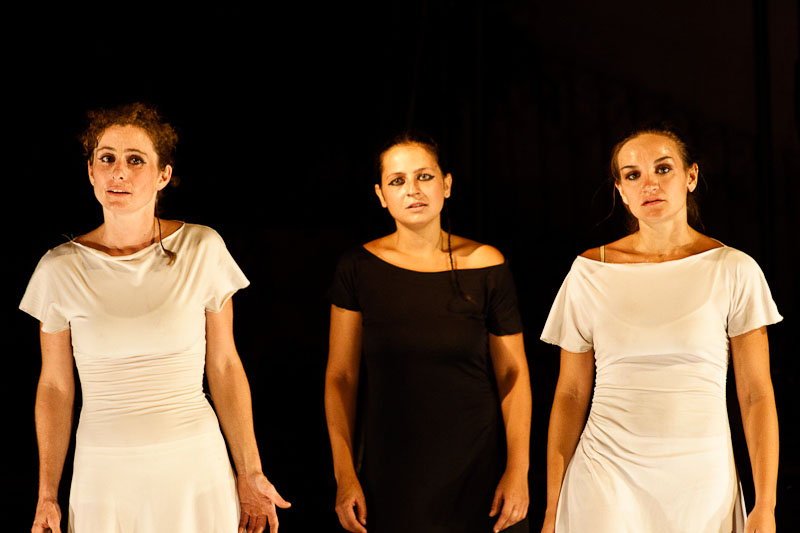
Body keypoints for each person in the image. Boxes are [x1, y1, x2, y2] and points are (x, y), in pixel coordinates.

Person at [20, 102, 290, 533]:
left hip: (195, 470)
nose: (118, 172)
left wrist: (250, 471)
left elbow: (224, 365)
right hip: (103, 477)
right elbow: (54, 385)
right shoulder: (59, 269)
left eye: (135, 160)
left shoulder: (202, 248)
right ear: (90, 172)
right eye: (106, 158)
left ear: (163, 175)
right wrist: (47, 494)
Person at [540, 128, 781, 533]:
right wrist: (552, 507)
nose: (649, 184)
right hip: (605, 473)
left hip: (700, 481)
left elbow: (756, 394)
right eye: (633, 175)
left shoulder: (734, 269)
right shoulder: (590, 272)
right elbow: (570, 394)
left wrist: (766, 504)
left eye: (663, 169)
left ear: (691, 176)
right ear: (620, 191)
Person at [324, 133, 532, 533]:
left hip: (482, 477)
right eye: (397, 180)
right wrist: (345, 474)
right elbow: (341, 378)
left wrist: (518, 471)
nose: (413, 190)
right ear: (381, 195)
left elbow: (513, 374)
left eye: (424, 176)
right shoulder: (358, 268)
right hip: (394, 478)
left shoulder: (486, 264)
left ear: (446, 185)